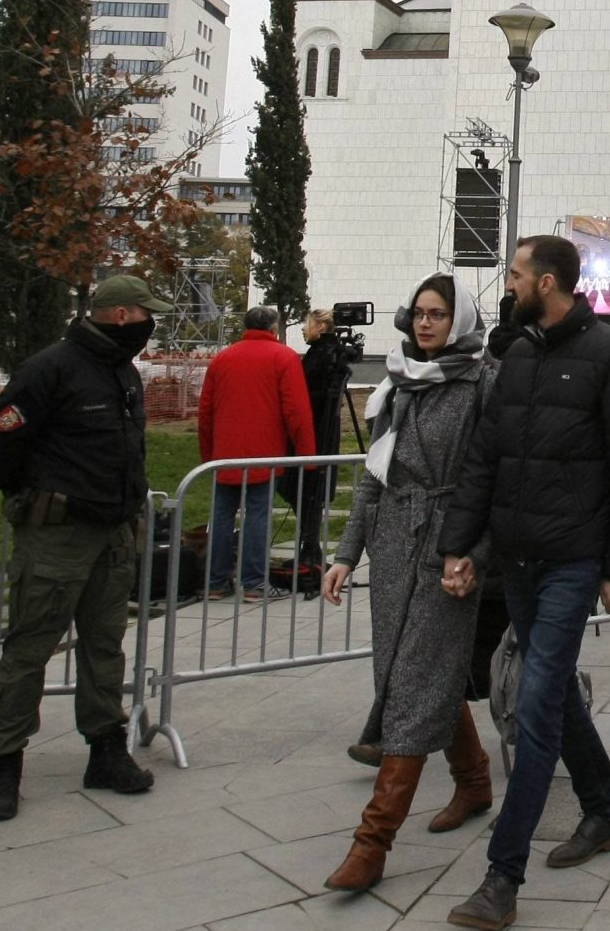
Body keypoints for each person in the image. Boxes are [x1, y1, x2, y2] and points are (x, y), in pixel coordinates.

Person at [437, 235, 610, 931]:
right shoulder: (519, 355)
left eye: (519, 273)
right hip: (519, 559)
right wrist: (460, 546)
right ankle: (605, 809)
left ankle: (503, 874)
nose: (510, 282)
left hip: (573, 560)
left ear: (551, 282)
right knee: (553, 689)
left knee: (534, 704)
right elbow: (484, 459)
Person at [0, 274, 166, 823]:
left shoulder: (122, 371)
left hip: (111, 532)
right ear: (123, 316)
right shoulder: (49, 369)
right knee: (29, 649)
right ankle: (3, 766)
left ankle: (105, 751)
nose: (151, 324)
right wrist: (33, 497)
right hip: (57, 535)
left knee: (105, 647)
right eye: (146, 315)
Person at [319, 273, 492, 890]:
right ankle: (473, 782)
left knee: (416, 677)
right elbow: (374, 476)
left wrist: (468, 551)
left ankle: (372, 843)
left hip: (449, 548)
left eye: (438, 314)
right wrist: (345, 555)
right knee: (411, 668)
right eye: (418, 313)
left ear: (460, 322)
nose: (424, 323)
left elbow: (490, 482)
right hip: (393, 543)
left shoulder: (481, 383)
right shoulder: (395, 382)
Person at [198, 305, 316, 600]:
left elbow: (206, 412)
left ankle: (216, 581)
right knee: (257, 514)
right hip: (264, 452)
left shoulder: (222, 358)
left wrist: (207, 455)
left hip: (225, 453)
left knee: (222, 514)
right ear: (274, 329)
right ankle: (253, 582)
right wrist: (307, 455)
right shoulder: (284, 357)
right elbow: (297, 411)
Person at [296, 307, 357, 572]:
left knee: (310, 492)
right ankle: (310, 546)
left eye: (307, 324)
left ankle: (310, 547)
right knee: (311, 494)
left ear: (320, 327)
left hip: (316, 432)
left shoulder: (320, 355)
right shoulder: (324, 353)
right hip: (320, 432)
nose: (303, 329)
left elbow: (308, 394)